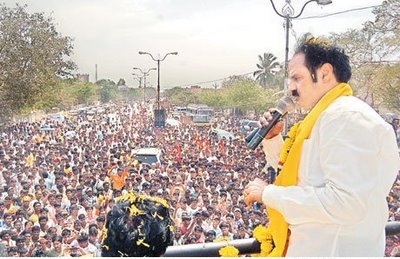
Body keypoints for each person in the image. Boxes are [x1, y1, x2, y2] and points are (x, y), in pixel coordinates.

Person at [243, 35, 400, 257]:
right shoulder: (323, 118)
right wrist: (271, 139)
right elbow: (303, 175)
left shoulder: (346, 117)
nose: (291, 89)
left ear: (325, 73)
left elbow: (346, 203)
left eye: (297, 78)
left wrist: (269, 194)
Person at [101, 191, 173, 257]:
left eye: (139, 219)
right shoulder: (116, 236)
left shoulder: (152, 235)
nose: (138, 223)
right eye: (132, 219)